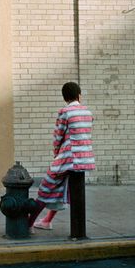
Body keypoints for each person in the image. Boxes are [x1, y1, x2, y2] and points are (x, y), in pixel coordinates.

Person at [28, 81, 95, 230]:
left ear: (65, 98)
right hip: (85, 159)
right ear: (79, 96)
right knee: (61, 187)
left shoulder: (65, 112)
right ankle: (46, 220)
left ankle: (29, 223)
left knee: (46, 186)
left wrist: (56, 154)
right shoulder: (88, 113)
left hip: (69, 157)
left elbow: (58, 137)